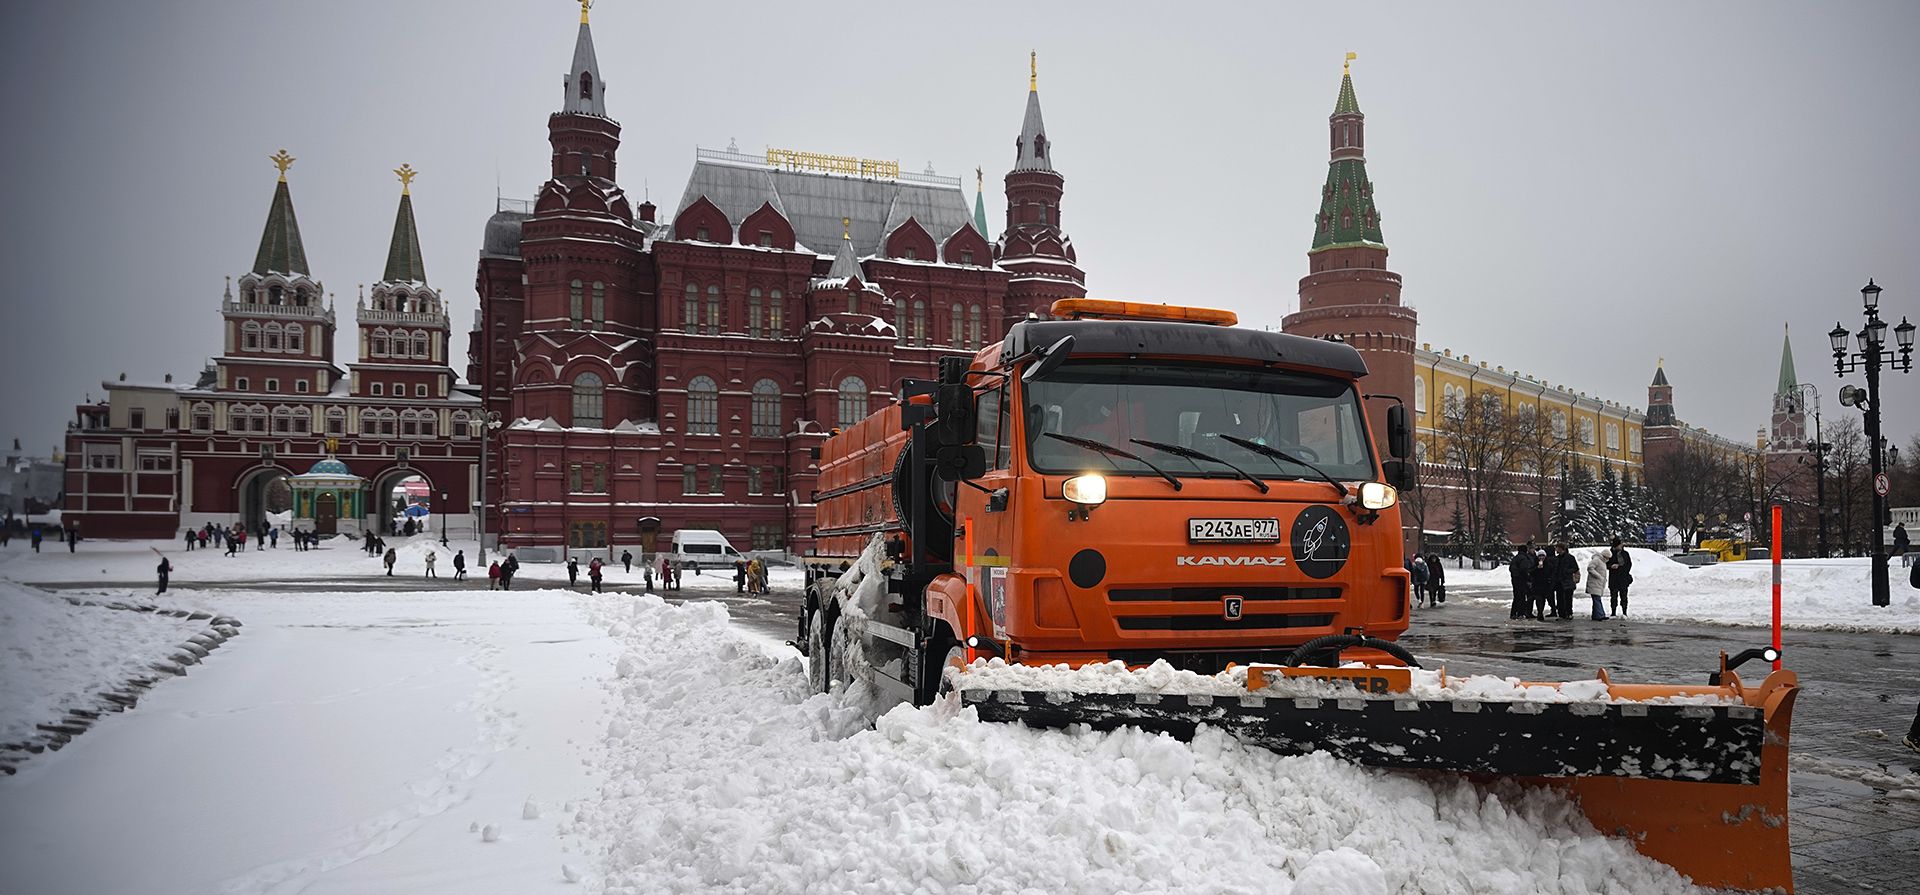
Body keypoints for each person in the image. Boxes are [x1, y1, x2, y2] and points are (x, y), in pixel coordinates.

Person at [1550, 543, 1579, 620]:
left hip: (1567, 581)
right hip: (1559, 582)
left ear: (1561, 549)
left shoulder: (1570, 558)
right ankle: (1561, 614)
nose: (1556, 550)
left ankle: (1569, 613)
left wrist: (1567, 571)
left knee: (1568, 599)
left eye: (1557, 548)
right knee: (1560, 599)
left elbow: (1575, 568)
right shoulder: (1556, 559)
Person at [1508, 542, 1536, 620]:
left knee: (1516, 597)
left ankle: (1513, 613)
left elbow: (1511, 568)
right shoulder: (1524, 558)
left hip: (1515, 580)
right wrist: (1528, 578)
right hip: (1521, 580)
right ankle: (1520, 613)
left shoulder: (1515, 558)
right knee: (1522, 597)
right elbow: (1524, 570)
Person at [1606, 537, 1633, 617]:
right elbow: (1606, 564)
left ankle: (1624, 612)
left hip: (1623, 578)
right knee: (1613, 596)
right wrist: (1611, 566)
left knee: (1624, 596)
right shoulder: (1610, 554)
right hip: (1614, 578)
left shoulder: (1625, 554)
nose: (1621, 545)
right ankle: (1613, 612)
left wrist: (1621, 568)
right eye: (1620, 544)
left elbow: (1629, 565)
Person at [1583, 549, 1609, 620]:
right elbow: (1590, 568)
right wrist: (1599, 576)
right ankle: (1600, 615)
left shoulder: (1602, 562)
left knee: (1596, 599)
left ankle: (1597, 615)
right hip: (1594, 583)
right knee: (1597, 599)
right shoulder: (1597, 560)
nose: (1608, 560)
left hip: (1598, 584)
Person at [1529, 547, 1553, 620]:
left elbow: (1551, 572)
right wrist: (1537, 568)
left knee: (1543, 600)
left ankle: (1541, 611)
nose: (1541, 557)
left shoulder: (1548, 564)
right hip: (1536, 584)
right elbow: (1530, 572)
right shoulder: (1534, 562)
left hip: (1545, 585)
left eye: (1543, 556)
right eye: (1540, 556)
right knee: (1538, 599)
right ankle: (1540, 613)